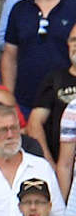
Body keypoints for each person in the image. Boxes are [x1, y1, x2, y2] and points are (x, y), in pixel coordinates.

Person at [1, 0, 76, 114]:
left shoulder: (73, 7)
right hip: (24, 103)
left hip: (67, 103)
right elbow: (9, 55)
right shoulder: (19, 9)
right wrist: (9, 98)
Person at [27, 24, 76, 165]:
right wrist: (48, 164)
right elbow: (35, 123)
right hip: (62, 166)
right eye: (73, 40)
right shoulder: (55, 79)